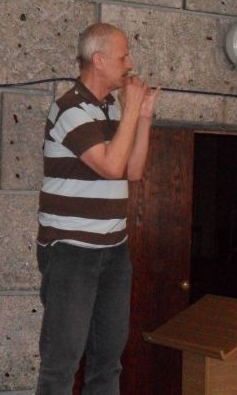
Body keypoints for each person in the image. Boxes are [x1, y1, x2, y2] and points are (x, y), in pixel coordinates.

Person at [35, 22, 159, 395]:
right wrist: (131, 110)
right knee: (62, 365)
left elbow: (132, 171)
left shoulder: (111, 110)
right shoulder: (69, 108)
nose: (130, 64)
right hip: (72, 250)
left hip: (114, 249)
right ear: (99, 59)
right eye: (123, 57)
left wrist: (143, 117)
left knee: (108, 363)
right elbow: (110, 166)